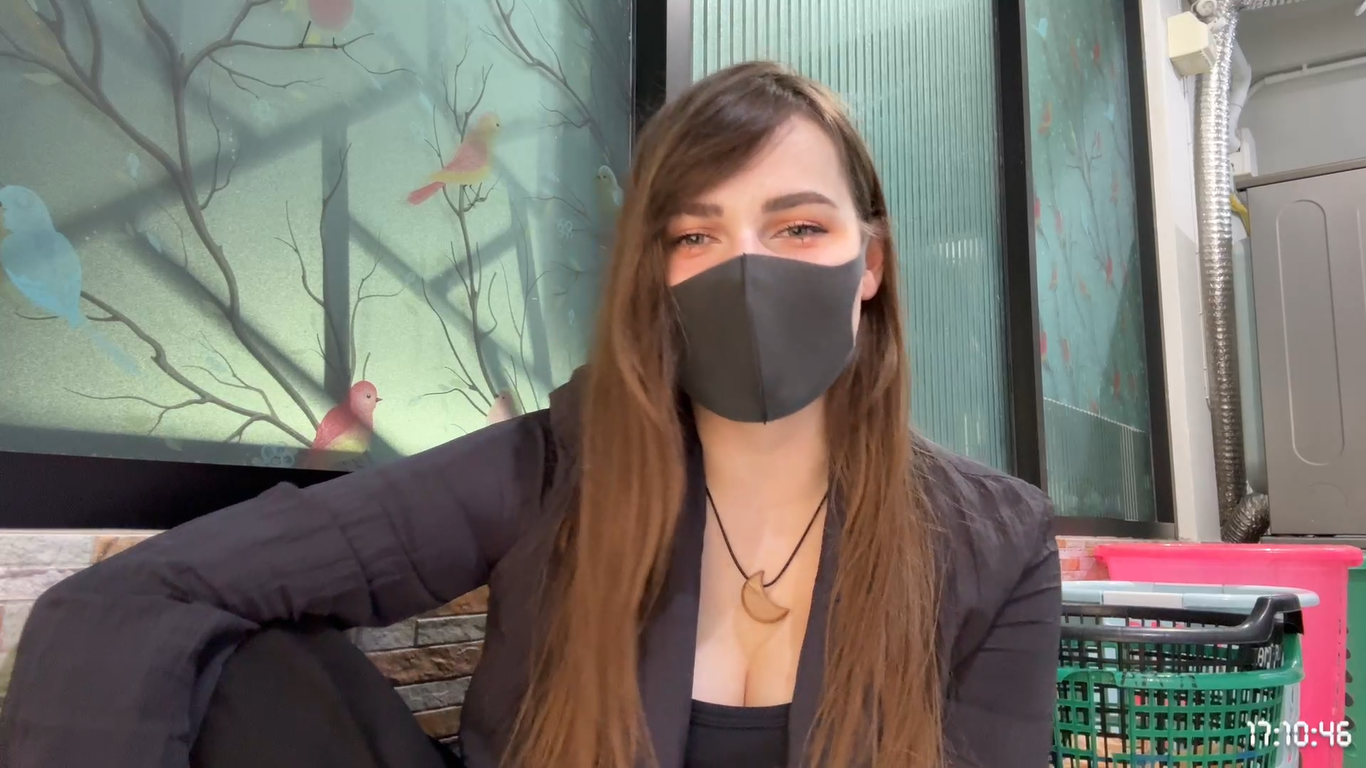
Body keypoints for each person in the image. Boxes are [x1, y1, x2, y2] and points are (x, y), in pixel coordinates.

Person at [0, 61, 1061, 768]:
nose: (744, 271)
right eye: (695, 237)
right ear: (652, 275)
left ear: (870, 265)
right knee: (238, 663)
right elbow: (136, 599)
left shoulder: (993, 542)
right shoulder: (552, 463)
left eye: (797, 228)